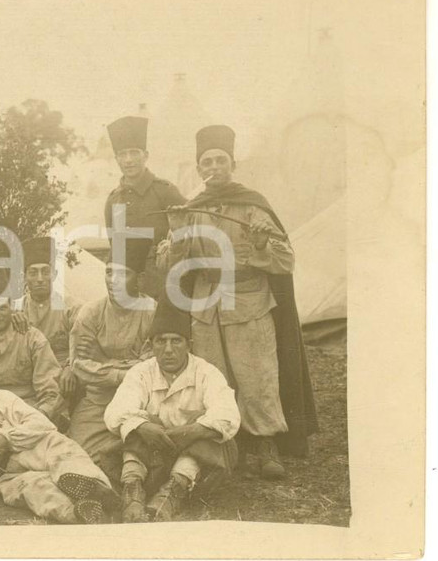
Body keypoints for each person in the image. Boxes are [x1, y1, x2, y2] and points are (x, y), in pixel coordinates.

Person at [158, 124, 317, 479]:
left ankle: (265, 443)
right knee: (215, 379)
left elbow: (286, 258)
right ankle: (226, 444)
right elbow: (168, 264)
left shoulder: (252, 207)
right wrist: (179, 233)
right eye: (206, 162)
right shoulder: (191, 209)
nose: (213, 167)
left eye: (220, 160)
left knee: (257, 377)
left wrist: (260, 246)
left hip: (248, 303)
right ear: (198, 169)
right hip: (206, 307)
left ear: (233, 163)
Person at [0, 340, 119, 525]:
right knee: (35, 489)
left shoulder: (1, 399)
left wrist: (6, 437)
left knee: (60, 447)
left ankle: (95, 487)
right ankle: (78, 512)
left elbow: (42, 424)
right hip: (4, 475)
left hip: (30, 450)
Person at [104, 299, 240, 522]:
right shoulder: (141, 372)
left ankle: (172, 494)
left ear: (189, 344)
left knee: (211, 431)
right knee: (132, 425)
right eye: (161, 341)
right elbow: (116, 410)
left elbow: (228, 414)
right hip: (151, 456)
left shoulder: (206, 372)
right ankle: (133, 489)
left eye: (176, 341)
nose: (168, 350)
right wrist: (144, 426)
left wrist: (194, 430)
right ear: (151, 344)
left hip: (193, 460)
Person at [66, 239, 156, 482]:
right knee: (76, 453)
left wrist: (102, 361)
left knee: (152, 444)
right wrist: (125, 368)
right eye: (108, 272)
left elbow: (152, 368)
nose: (113, 281)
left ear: (140, 278)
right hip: (98, 401)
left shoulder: (152, 312)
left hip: (140, 402)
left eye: (123, 274)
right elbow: (79, 366)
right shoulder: (91, 313)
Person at [103, 116, 186, 300]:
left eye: (134, 153)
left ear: (145, 155)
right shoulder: (113, 200)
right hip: (128, 289)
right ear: (116, 158)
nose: (129, 160)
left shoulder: (165, 191)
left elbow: (187, 235)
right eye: (122, 154)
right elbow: (115, 249)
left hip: (165, 285)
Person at [11, 237, 82, 408]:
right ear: (24, 276)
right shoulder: (15, 308)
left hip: (63, 376)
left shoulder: (71, 307)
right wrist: (10, 318)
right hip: (27, 376)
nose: (40, 278)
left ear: (55, 274)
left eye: (45, 271)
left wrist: (70, 367)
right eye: (33, 272)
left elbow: (83, 344)